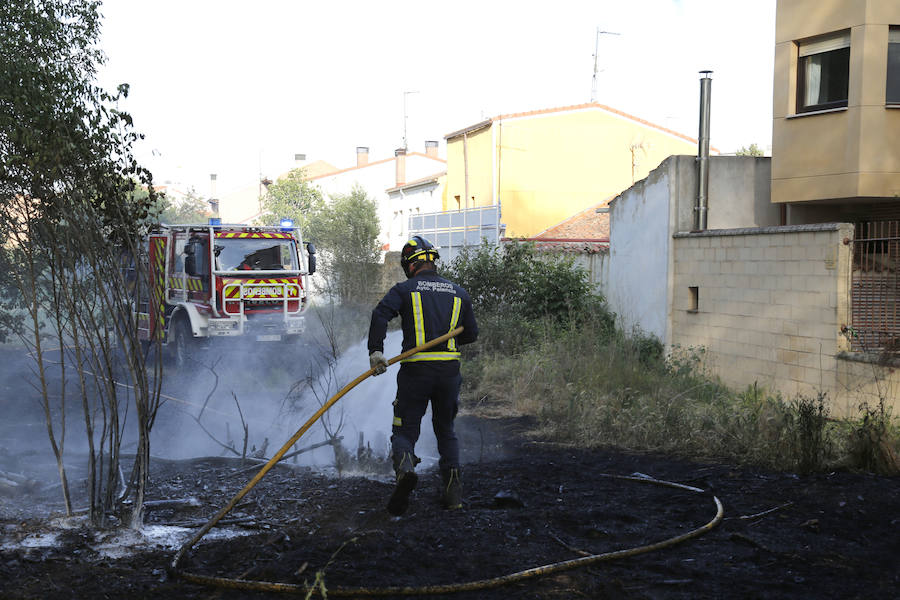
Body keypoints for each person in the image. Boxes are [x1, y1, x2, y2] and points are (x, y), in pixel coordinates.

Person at [368, 236, 478, 516]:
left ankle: (405, 468)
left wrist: (376, 351)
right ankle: (453, 494)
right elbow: (471, 334)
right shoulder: (459, 293)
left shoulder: (405, 290)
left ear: (410, 264)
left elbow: (380, 315)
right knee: (446, 430)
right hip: (449, 373)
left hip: (416, 370)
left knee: (404, 429)